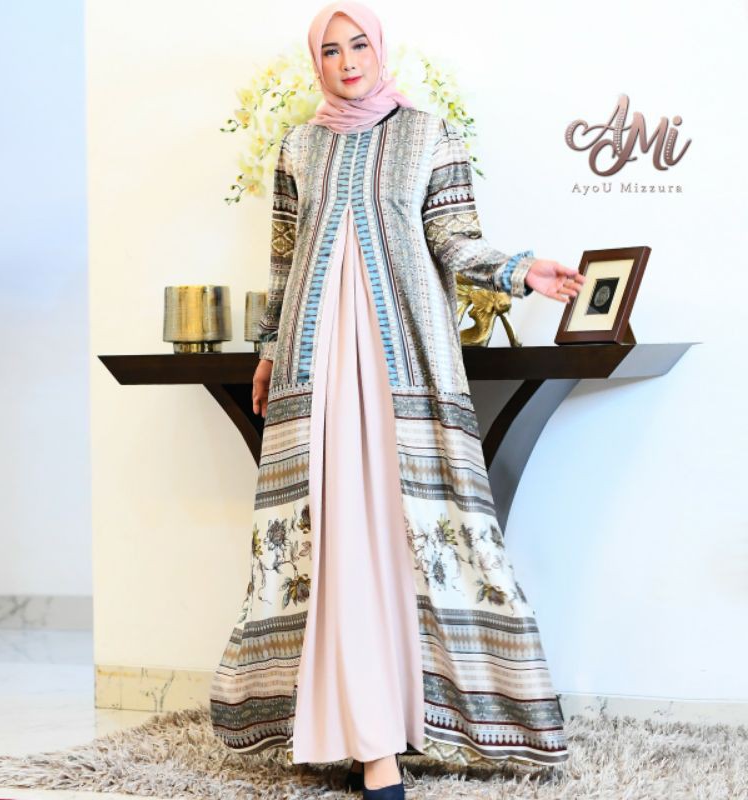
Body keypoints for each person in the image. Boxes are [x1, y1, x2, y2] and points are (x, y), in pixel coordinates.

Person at [210, 2, 585, 797]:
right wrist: (272, 347)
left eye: (359, 45)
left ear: (380, 51)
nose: (348, 61)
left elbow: (453, 239)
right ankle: (364, 735)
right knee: (332, 538)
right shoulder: (298, 146)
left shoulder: (428, 134)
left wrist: (520, 270)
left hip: (402, 364)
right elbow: (284, 260)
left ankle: (403, 719)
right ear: (316, 61)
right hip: (316, 369)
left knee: (399, 535)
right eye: (331, 50)